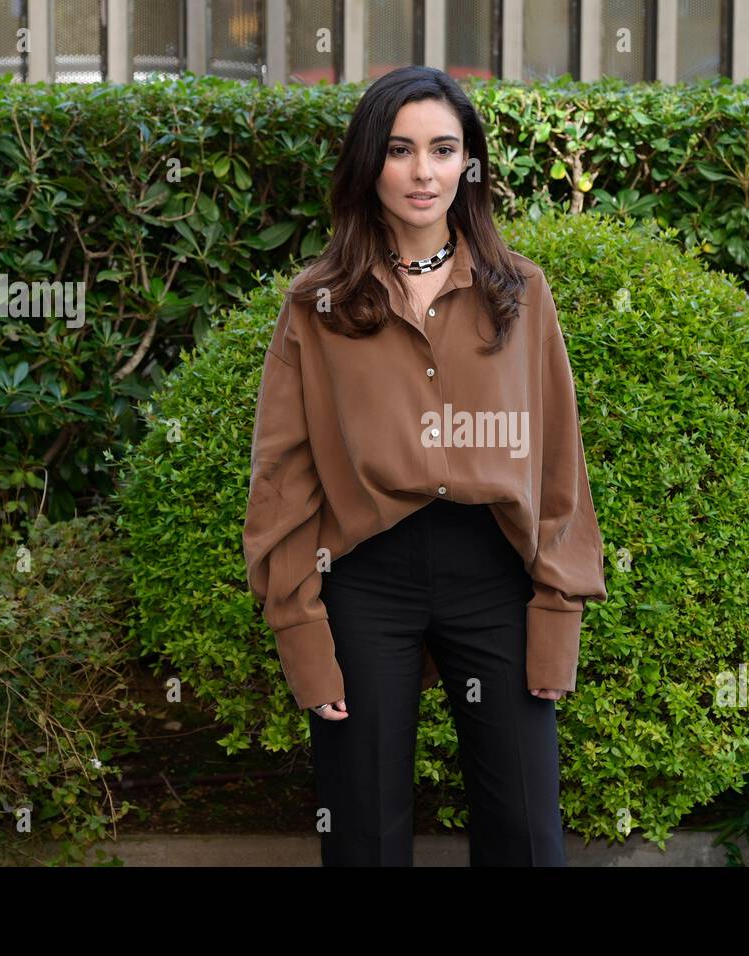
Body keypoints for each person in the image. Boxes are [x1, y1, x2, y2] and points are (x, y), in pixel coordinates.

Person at [242, 65, 607, 866]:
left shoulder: (520, 292)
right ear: (370, 162)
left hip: (495, 575)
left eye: (444, 150)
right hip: (366, 578)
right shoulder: (319, 304)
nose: (423, 171)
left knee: (528, 835)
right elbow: (284, 473)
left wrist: (557, 611)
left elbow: (558, 460)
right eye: (401, 150)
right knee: (364, 829)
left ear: (468, 165)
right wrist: (302, 629)